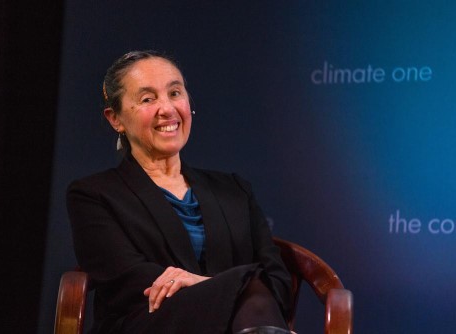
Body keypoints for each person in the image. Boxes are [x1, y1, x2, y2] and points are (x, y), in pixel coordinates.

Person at [67, 50, 293, 334]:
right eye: (148, 99)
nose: (167, 109)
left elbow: (278, 282)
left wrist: (204, 284)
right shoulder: (94, 195)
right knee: (253, 289)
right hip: (151, 324)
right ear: (116, 119)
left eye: (175, 93)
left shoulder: (234, 190)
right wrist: (229, 288)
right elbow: (127, 281)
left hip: (243, 323)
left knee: (257, 292)